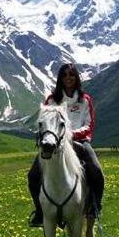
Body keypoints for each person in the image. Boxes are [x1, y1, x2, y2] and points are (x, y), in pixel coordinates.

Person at [28, 63, 105, 227]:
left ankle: (95, 206)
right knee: (33, 175)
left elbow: (89, 124)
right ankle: (40, 212)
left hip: (79, 141)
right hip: (54, 143)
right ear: (60, 79)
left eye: (71, 74)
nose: (68, 78)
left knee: (96, 169)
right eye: (64, 75)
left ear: (76, 77)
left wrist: (71, 135)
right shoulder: (52, 100)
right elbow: (44, 122)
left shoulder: (85, 99)